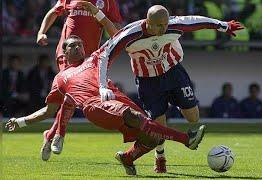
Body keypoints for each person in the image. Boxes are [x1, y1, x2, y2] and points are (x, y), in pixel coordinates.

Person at [5, 36, 205, 176]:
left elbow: (117, 39)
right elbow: (49, 111)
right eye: (72, 46)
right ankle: (186, 139)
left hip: (116, 97)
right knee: (137, 118)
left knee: (153, 137)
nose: (78, 48)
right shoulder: (60, 78)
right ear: (64, 53)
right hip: (95, 106)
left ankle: (127, 158)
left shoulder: (95, 59)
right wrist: (21, 121)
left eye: (80, 45)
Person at [98, 5, 243, 173]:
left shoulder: (173, 25)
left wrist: (223, 25)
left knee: (193, 117)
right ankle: (160, 156)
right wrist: (102, 86)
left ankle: (179, 113)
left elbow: (195, 21)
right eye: (160, 25)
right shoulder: (130, 35)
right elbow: (104, 55)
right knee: (159, 128)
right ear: (148, 22)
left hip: (174, 72)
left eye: (166, 24)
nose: (164, 28)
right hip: (148, 82)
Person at [36, 0, 121, 154]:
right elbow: (53, 12)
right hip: (66, 54)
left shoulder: (108, 2)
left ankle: (50, 134)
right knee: (72, 92)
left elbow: (115, 30)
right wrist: (41, 31)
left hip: (88, 58)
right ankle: (59, 134)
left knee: (71, 97)